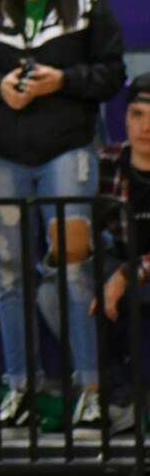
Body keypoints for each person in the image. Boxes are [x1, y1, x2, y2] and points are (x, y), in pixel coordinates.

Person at [0, 0, 126, 435]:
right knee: (9, 275)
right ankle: (20, 387)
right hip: (3, 153)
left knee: (75, 269)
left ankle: (91, 389)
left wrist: (63, 81)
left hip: (68, 150)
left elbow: (111, 73)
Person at [92, 73, 150, 430]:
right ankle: (110, 399)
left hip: (135, 270)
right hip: (119, 263)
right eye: (137, 115)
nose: (146, 127)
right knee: (57, 293)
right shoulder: (108, 162)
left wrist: (128, 274)